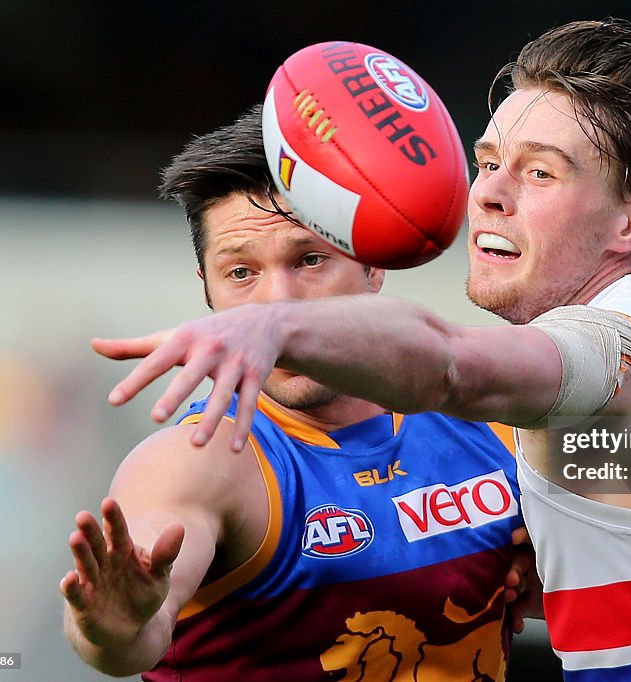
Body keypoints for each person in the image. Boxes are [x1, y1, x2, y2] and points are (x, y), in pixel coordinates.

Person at [95, 19, 631, 680]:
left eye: (539, 172)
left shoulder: (600, 362)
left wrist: (273, 328)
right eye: (488, 163)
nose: (490, 193)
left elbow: (448, 363)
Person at [60, 104, 539, 681]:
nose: (277, 304)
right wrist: (113, 627)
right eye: (240, 273)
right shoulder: (201, 459)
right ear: (208, 292)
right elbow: (136, 635)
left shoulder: (497, 411)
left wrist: (572, 547)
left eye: (310, 259)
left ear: (374, 264)